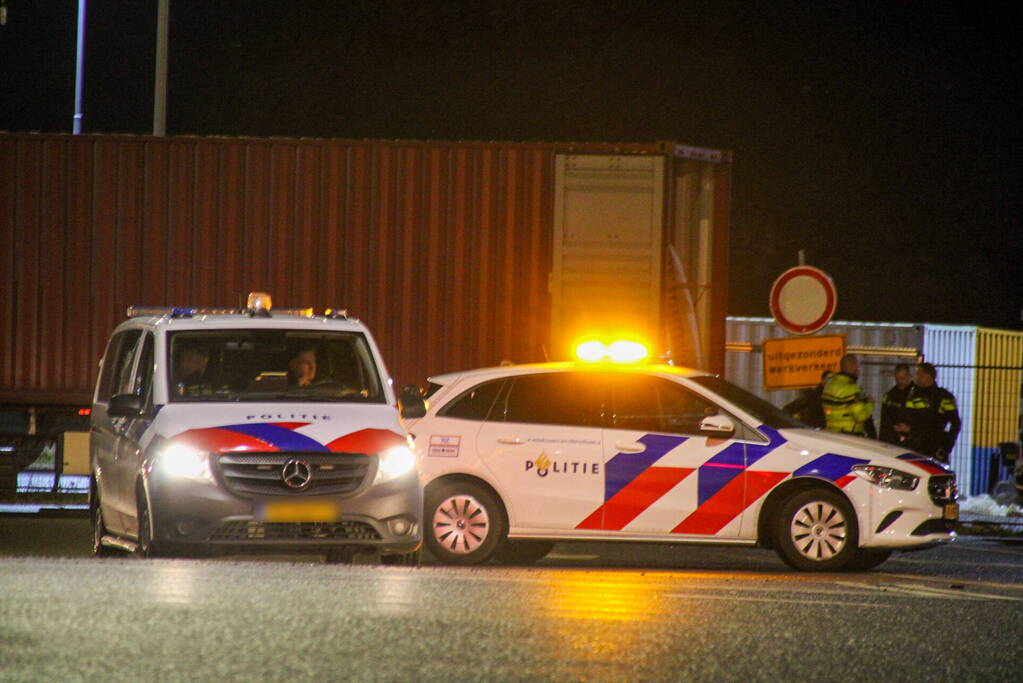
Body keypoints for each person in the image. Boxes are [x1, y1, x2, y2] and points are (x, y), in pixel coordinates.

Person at [902, 362, 961, 463]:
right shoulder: (913, 395)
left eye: (919, 374)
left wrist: (947, 446)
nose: (917, 377)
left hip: (935, 446)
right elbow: (907, 417)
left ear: (928, 375)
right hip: (915, 445)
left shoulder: (944, 397)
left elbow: (956, 422)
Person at [822, 354, 875, 436]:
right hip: (849, 434)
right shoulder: (850, 388)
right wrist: (870, 404)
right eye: (857, 367)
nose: (858, 370)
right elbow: (861, 416)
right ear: (852, 367)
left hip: (831, 431)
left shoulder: (829, 384)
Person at [879, 362, 915, 445]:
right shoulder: (889, 395)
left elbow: (923, 420)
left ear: (909, 376)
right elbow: (884, 420)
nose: (900, 382)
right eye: (897, 379)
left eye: (903, 378)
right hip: (891, 440)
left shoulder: (917, 395)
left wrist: (909, 429)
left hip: (911, 441)